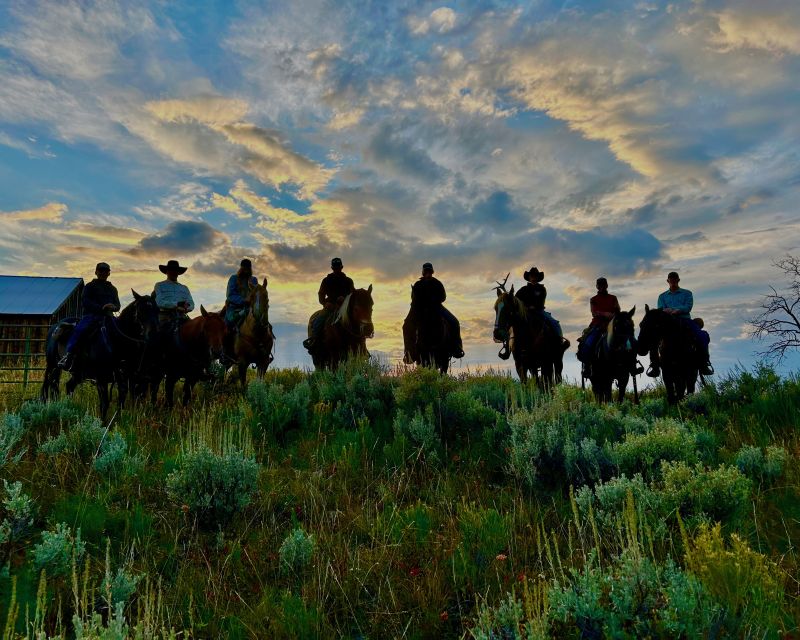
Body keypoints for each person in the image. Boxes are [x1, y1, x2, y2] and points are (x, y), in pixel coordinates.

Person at [647, 271, 713, 377]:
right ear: (667, 281)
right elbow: (661, 309)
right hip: (667, 323)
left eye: (674, 279)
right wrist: (667, 311)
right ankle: (654, 366)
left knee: (702, 335)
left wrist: (677, 310)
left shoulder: (687, 293)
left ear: (678, 280)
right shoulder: (662, 296)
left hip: (684, 320)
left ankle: (704, 363)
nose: (673, 281)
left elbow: (688, 307)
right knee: (653, 339)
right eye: (671, 279)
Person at [58, 262, 121, 370]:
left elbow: (118, 305)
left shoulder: (113, 289)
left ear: (109, 273)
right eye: (101, 270)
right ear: (96, 272)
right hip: (91, 316)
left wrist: (113, 307)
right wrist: (102, 307)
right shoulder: (89, 286)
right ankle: (68, 356)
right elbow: (85, 302)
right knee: (79, 330)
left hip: (109, 317)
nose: (103, 273)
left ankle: (122, 360)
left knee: (121, 332)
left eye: (106, 271)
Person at [402, 262, 464, 362]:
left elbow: (443, 297)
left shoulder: (437, 283)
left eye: (429, 271)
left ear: (432, 272)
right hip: (419, 309)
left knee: (454, 322)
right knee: (406, 326)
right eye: (426, 271)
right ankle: (409, 353)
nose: (427, 273)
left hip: (436, 308)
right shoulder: (417, 285)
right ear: (423, 272)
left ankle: (457, 348)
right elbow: (413, 299)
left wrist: (433, 300)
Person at [303, 257, 355, 353]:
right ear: (332, 268)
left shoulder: (349, 281)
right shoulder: (326, 280)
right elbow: (321, 294)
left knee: (356, 321)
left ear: (342, 267)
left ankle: (362, 347)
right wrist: (325, 303)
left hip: (344, 308)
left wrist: (345, 299)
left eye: (338, 267)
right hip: (330, 307)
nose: (337, 269)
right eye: (335, 268)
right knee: (318, 321)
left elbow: (353, 295)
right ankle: (314, 341)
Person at [514, 267, 569, 350]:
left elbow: (541, 301)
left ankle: (559, 344)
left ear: (538, 278)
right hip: (525, 312)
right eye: (531, 276)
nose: (533, 278)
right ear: (529, 277)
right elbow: (516, 300)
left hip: (539, 311)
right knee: (512, 324)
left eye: (535, 276)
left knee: (554, 323)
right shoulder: (523, 289)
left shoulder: (541, 289)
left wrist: (534, 306)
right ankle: (508, 346)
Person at [577, 277, 621, 377]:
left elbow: (617, 310)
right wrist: (607, 314)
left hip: (613, 324)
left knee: (627, 339)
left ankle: (632, 364)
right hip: (598, 324)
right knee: (589, 342)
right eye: (599, 285)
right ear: (597, 286)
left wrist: (609, 315)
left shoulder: (613, 298)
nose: (601, 287)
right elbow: (594, 313)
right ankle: (587, 366)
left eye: (603, 285)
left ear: (606, 285)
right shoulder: (593, 299)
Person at [223, 258, 259, 362]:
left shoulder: (254, 280)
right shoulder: (234, 279)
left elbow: (256, 294)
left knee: (262, 323)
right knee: (228, 323)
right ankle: (225, 351)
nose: (246, 270)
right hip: (234, 308)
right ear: (241, 268)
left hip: (250, 310)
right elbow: (230, 295)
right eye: (244, 268)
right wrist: (244, 300)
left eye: (248, 268)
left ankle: (262, 351)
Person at [152, 259, 195, 330]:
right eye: (171, 270)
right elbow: (159, 302)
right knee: (157, 335)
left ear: (178, 272)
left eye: (175, 270)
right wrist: (177, 306)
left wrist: (185, 308)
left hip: (182, 316)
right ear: (167, 272)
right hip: (165, 317)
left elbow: (191, 304)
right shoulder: (159, 285)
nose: (173, 272)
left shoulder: (184, 288)